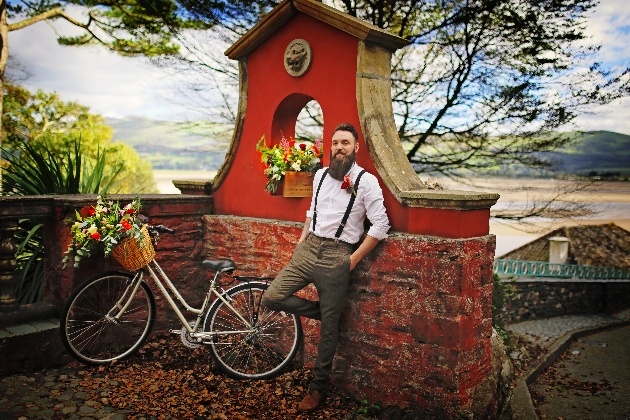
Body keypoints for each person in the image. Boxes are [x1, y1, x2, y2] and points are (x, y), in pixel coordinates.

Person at [262, 122, 390, 412]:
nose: (339, 147)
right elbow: (311, 212)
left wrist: (352, 261)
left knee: (329, 332)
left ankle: (317, 389)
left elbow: (381, 225)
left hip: (338, 255)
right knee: (271, 297)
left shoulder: (366, 181)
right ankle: (322, 313)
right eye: (335, 143)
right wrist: (301, 240)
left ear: (356, 147)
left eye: (345, 142)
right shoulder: (320, 174)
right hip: (308, 250)